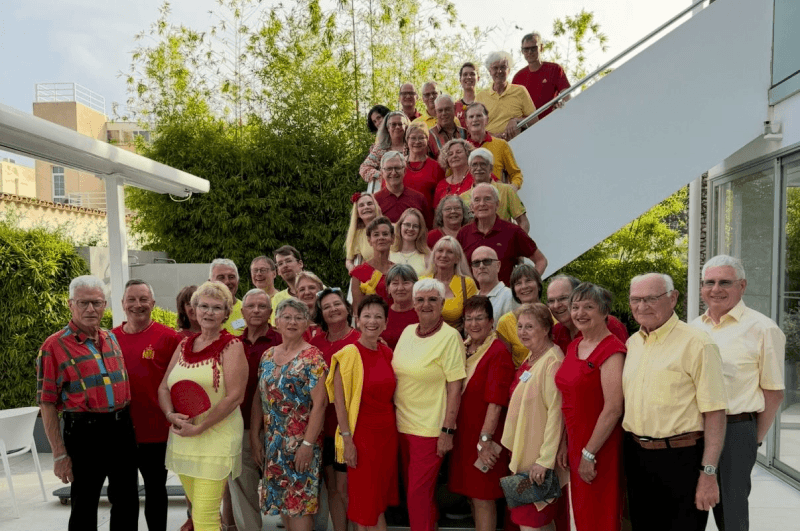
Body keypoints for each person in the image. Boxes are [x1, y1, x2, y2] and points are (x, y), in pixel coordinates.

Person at [623, 273, 727, 531]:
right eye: (635, 299)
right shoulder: (633, 343)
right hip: (637, 458)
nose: (642, 306)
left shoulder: (698, 344)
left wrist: (708, 473)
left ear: (673, 298)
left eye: (651, 298)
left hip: (682, 460)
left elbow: (715, 413)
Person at [690, 255, 785, 531]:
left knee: (731, 515)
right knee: (689, 508)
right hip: (694, 431)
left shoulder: (763, 329)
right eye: (709, 282)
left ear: (742, 286)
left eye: (725, 282)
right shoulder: (693, 328)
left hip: (736, 431)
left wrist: (751, 441)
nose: (715, 289)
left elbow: (774, 393)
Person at [37, 275, 139, 531]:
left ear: (105, 305)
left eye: (96, 303)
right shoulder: (54, 346)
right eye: (83, 303)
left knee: (128, 501)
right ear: (71, 304)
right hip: (85, 432)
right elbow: (47, 403)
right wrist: (59, 454)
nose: (90, 309)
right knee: (84, 505)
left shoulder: (110, 338)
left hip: (122, 428)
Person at [158, 280, 247, 531]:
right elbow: (164, 387)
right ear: (194, 310)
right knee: (198, 511)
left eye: (216, 308)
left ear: (227, 313)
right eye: (203, 306)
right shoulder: (184, 344)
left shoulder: (232, 346)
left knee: (205, 516)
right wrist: (170, 414)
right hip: (183, 437)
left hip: (216, 437)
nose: (209, 312)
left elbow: (235, 396)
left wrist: (200, 427)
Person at [393, 278, 466, 531]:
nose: (426, 304)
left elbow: (455, 388)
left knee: (417, 495)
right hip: (402, 426)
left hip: (430, 431)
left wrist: (447, 431)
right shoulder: (406, 332)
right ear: (413, 304)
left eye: (432, 299)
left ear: (442, 303)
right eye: (421, 299)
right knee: (416, 495)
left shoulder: (450, 337)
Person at [251, 298, 329, 530]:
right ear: (276, 322)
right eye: (287, 316)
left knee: (299, 507)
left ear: (307, 324)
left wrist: (307, 444)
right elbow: (259, 398)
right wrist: (255, 437)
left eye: (298, 318)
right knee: (282, 507)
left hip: (301, 447)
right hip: (273, 444)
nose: (292, 322)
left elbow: (321, 404)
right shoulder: (267, 356)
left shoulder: (313, 357)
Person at [554, 283, 625, 531]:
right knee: (582, 514)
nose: (580, 313)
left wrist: (589, 453)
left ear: (605, 311)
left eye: (588, 307)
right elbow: (568, 399)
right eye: (575, 307)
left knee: (600, 515)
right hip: (575, 442)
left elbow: (614, 408)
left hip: (599, 446)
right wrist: (564, 442)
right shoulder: (575, 345)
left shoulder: (612, 349)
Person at [112, 279, 182, 531]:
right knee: (122, 495)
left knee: (155, 491)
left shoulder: (169, 338)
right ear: (122, 304)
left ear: (153, 303)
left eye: (143, 299)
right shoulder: (108, 340)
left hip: (156, 432)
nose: (137, 305)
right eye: (131, 299)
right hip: (119, 432)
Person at [327, 294, 399, 531]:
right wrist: (347, 440)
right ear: (357, 320)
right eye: (367, 316)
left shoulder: (387, 353)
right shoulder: (348, 354)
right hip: (361, 437)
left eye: (378, 316)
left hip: (387, 436)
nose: (372, 321)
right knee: (365, 504)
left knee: (376, 502)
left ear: (386, 323)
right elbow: (339, 403)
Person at [448, 296, 515, 531]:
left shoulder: (497, 351)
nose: (473, 324)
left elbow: (496, 402)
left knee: (483, 498)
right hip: (465, 436)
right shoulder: (466, 348)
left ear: (491, 321)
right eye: (468, 319)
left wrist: (485, 441)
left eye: (479, 318)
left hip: (484, 437)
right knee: (472, 497)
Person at [501, 303, 569, 531]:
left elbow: (556, 414)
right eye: (520, 326)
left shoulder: (553, 361)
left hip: (537, 461)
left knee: (531, 521)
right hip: (524, 453)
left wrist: (545, 460)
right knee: (539, 522)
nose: (523, 332)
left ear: (546, 329)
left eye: (530, 326)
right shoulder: (532, 357)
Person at [229, 288, 283, 531]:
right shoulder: (232, 345)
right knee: (242, 488)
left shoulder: (283, 340)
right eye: (251, 306)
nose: (256, 310)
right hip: (240, 426)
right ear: (242, 311)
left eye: (262, 306)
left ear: (270, 312)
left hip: (278, 428)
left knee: (284, 489)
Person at [310, 287, 362, 531]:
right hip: (323, 426)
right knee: (332, 487)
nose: (332, 309)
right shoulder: (314, 343)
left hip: (350, 427)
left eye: (336, 304)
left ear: (347, 307)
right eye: (326, 306)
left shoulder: (360, 340)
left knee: (347, 488)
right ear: (321, 313)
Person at [457, 183, 546, 284]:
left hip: (504, 298)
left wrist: (528, 285)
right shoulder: (463, 234)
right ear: (472, 207)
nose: (482, 204)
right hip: (473, 298)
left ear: (497, 204)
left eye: (487, 199)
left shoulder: (512, 231)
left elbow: (541, 261)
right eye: (477, 200)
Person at [546, 275, 628, 353]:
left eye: (563, 298)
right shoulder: (556, 332)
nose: (556, 305)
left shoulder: (607, 324)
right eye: (551, 301)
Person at [460, 147, 529, 231]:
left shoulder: (506, 190)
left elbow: (523, 221)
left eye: (483, 164)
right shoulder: (462, 198)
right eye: (474, 164)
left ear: (491, 168)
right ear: (470, 169)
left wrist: (518, 242)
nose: (478, 168)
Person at [475, 51, 536, 140]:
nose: (499, 71)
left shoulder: (520, 91)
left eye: (503, 67)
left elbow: (534, 120)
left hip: (517, 141)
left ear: (509, 70)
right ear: (490, 71)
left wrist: (516, 120)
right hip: (490, 145)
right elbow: (475, 127)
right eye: (495, 68)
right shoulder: (481, 96)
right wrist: (492, 137)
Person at [422, 236, 477, 332]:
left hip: (456, 339)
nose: (444, 255)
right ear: (434, 256)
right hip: (426, 338)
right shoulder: (422, 282)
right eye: (440, 251)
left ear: (457, 259)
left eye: (450, 252)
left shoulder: (467, 283)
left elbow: (474, 317)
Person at [512, 32, 571, 121]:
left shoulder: (555, 69)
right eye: (526, 49)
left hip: (553, 121)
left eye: (533, 48)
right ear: (522, 51)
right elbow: (514, 107)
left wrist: (562, 104)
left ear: (541, 48)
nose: (530, 52)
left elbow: (567, 96)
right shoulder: (518, 77)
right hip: (529, 128)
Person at [465, 103, 524, 189]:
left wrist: (512, 188)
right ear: (466, 122)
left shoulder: (501, 144)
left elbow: (516, 174)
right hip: (470, 199)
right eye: (471, 117)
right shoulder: (461, 149)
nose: (475, 119)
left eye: (479, 116)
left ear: (487, 120)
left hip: (496, 198)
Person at [497, 264, 544, 366]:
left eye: (528, 281)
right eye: (518, 283)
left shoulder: (554, 315)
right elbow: (505, 364)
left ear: (539, 285)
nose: (524, 286)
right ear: (514, 291)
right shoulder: (505, 322)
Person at [374, 151, 432, 227]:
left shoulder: (419, 199)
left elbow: (427, 229)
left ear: (404, 171)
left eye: (397, 168)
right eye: (389, 169)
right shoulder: (375, 200)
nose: (394, 172)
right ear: (382, 172)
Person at [350, 216, 395, 309]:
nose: (381, 238)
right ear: (369, 241)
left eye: (385, 234)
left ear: (392, 239)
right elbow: (357, 309)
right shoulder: (358, 273)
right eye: (376, 234)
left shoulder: (398, 272)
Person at [360, 111, 410, 185]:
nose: (397, 127)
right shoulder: (380, 148)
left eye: (400, 124)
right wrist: (383, 176)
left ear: (406, 127)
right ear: (387, 128)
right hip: (386, 189)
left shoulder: (412, 146)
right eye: (393, 124)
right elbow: (364, 168)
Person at [471, 246, 516, 325]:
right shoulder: (472, 299)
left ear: (498, 266)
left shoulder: (510, 297)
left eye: (487, 261)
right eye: (476, 263)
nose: (481, 266)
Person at [404, 122, 445, 207]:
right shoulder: (397, 165)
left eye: (421, 138)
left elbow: (441, 199)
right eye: (413, 138)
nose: (417, 141)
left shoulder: (436, 167)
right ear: (407, 140)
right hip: (400, 217)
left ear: (427, 140)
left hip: (427, 216)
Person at [381, 264, 420, 349]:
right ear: (388, 289)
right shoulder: (381, 313)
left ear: (415, 286)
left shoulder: (423, 311)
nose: (400, 288)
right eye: (395, 283)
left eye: (406, 283)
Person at [345, 192, 383, 272]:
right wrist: (352, 268)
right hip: (373, 279)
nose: (366, 207)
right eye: (361, 205)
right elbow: (349, 259)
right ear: (357, 213)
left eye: (369, 204)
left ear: (375, 207)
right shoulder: (358, 235)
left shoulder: (389, 228)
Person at [433, 138, 475, 208]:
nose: (454, 156)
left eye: (458, 152)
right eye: (450, 154)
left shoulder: (478, 176)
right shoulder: (441, 185)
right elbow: (437, 213)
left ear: (468, 154)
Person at [389, 207, 431, 276]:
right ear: (400, 226)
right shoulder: (389, 253)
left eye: (415, 226)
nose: (411, 229)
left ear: (420, 230)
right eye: (407, 225)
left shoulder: (427, 255)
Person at [210, 258, 246, 336]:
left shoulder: (248, 311)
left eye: (231, 277)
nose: (227, 282)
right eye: (221, 277)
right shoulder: (202, 312)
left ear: (238, 281)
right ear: (210, 282)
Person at [272, 245, 305, 325]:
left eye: (288, 261)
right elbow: (276, 328)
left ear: (300, 264)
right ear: (278, 271)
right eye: (280, 264)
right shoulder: (277, 299)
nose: (285, 266)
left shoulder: (318, 290)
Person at [428, 94, 467, 160]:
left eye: (447, 109)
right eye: (440, 110)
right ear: (436, 112)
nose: (444, 113)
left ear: (454, 109)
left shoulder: (465, 133)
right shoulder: (429, 136)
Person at [296, 271, 326, 342]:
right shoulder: (293, 322)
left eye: (311, 288)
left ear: (320, 291)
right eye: (302, 289)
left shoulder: (329, 319)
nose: (307, 292)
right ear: (297, 295)